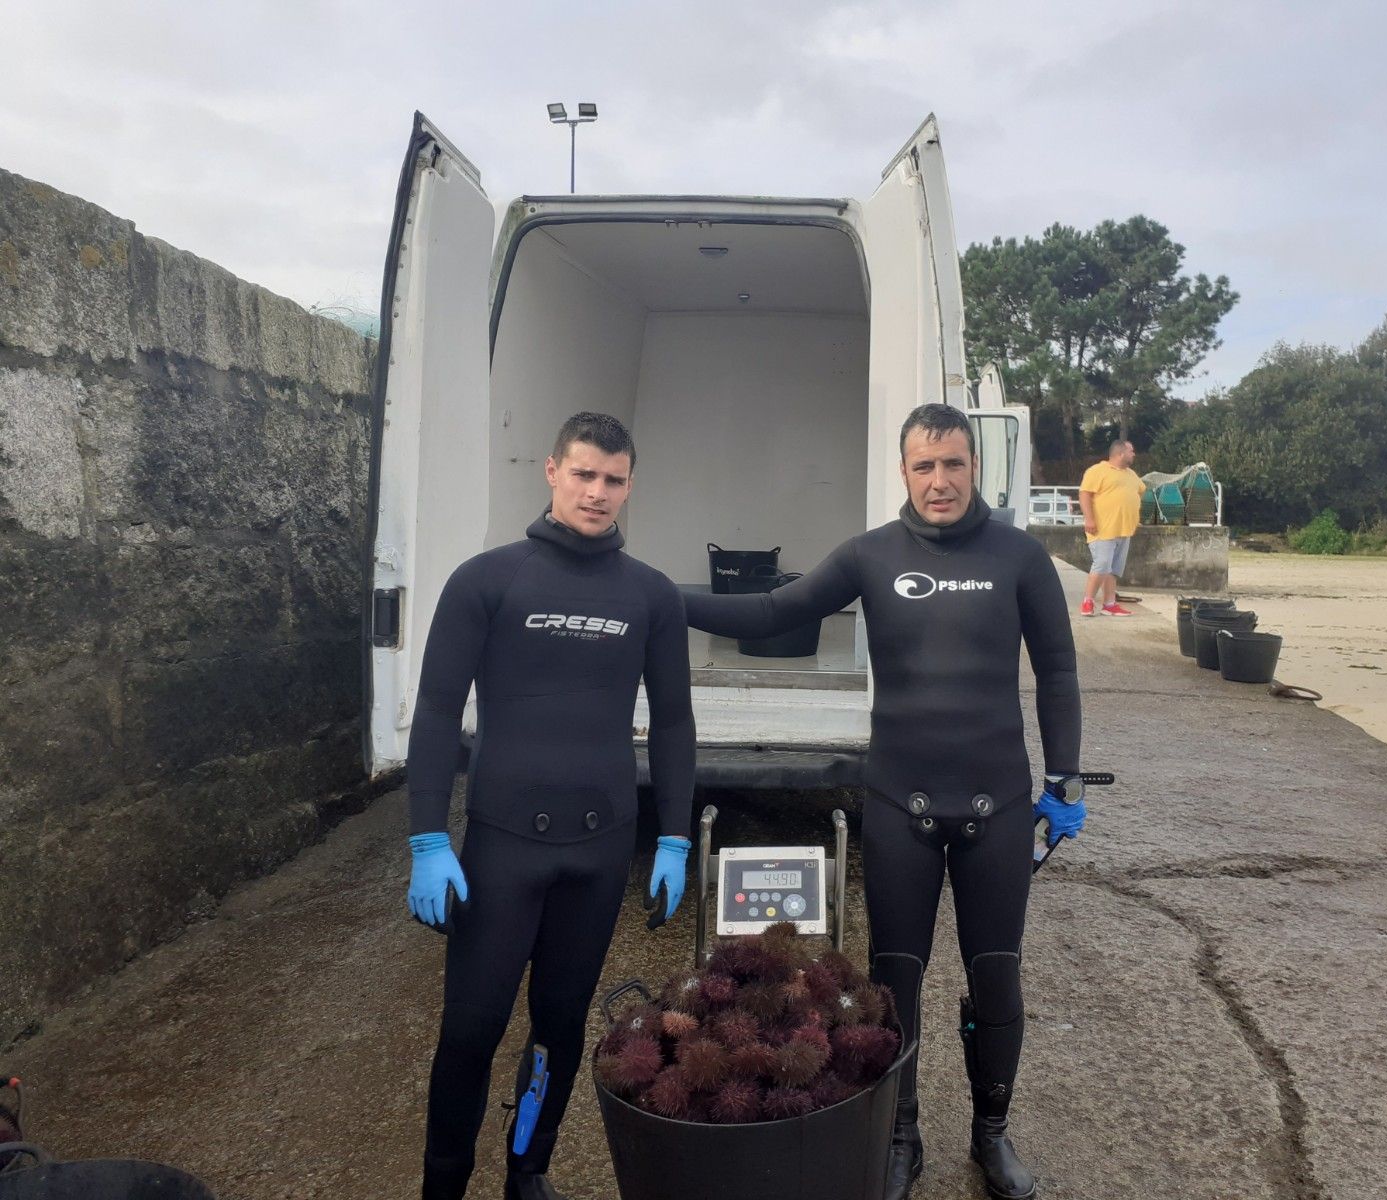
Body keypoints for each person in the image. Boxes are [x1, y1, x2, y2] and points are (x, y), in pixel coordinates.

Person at [681, 404, 1085, 1200]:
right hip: (901, 800)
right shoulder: (870, 556)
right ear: (904, 471)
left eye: (954, 464)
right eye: (924, 465)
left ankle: (991, 1134)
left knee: (997, 978)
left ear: (976, 469)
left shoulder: (1020, 557)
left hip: (997, 804)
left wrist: (1064, 781)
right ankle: (901, 1135)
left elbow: (1061, 672)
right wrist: (664, 599)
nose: (940, 480)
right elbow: (772, 611)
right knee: (892, 984)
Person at [404, 412, 696, 1200]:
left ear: (630, 484)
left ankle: (527, 1172)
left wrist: (674, 837)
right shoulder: (487, 580)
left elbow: (672, 721)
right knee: (469, 1031)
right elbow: (436, 712)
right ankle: (444, 1186)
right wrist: (427, 837)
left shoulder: (651, 596)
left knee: (561, 1029)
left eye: (613, 479)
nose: (597, 493)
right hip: (503, 850)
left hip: (600, 852)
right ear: (552, 471)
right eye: (584, 474)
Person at [1078, 439, 1146, 616]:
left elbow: (1139, 491)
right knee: (1101, 565)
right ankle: (1088, 601)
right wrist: (1089, 519)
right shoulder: (1097, 471)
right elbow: (1084, 494)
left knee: (1113, 570)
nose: (1134, 454)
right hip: (1103, 530)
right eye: (1131, 451)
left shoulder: (1131, 474)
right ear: (1120, 453)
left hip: (1124, 531)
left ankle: (1109, 605)